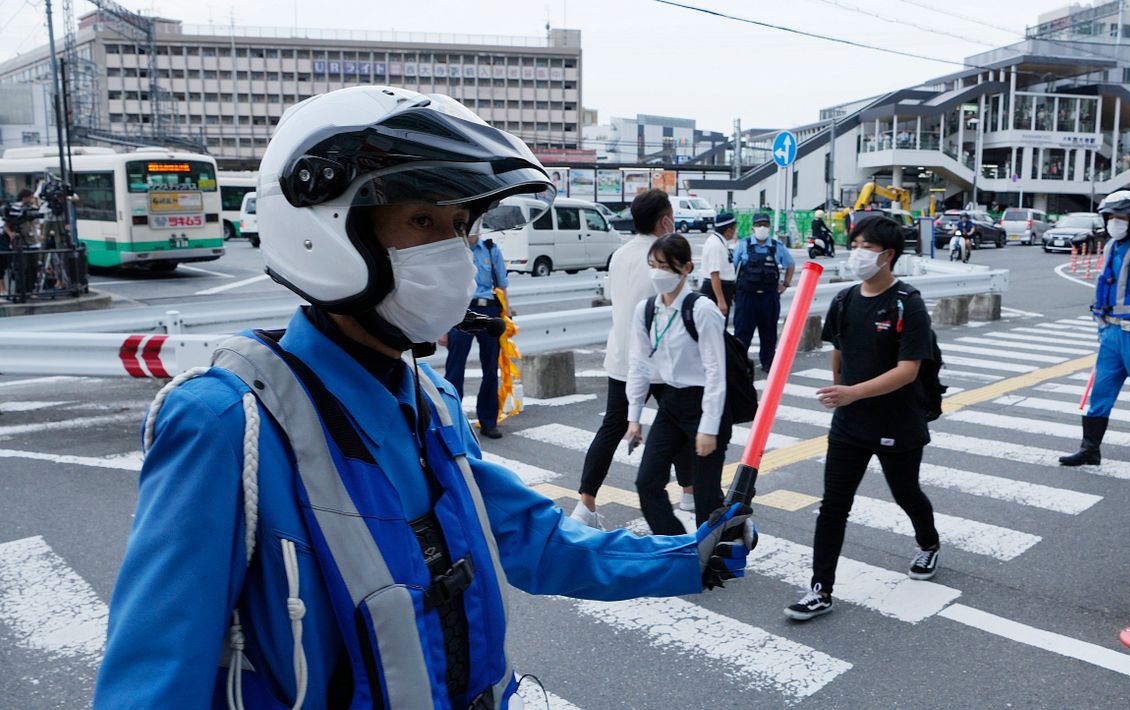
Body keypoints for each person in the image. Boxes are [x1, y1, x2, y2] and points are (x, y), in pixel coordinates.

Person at [93, 87, 754, 709]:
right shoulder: (226, 425)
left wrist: (686, 557)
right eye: (422, 220)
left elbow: (532, 539)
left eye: (459, 224)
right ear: (327, 230)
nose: (456, 251)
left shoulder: (429, 400)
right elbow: (152, 683)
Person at [785, 216, 940, 621]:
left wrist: (852, 392)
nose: (857, 253)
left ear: (888, 255)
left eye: (866, 247)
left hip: (898, 422)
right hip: (850, 424)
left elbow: (908, 370)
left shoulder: (907, 303)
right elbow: (839, 350)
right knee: (833, 506)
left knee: (906, 493)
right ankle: (820, 590)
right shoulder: (844, 299)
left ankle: (929, 544)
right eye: (854, 245)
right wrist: (842, 391)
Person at [574, 189, 695, 529]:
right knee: (681, 426)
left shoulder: (619, 255)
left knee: (611, 429)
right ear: (664, 221)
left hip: (621, 358)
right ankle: (690, 494)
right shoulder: (664, 256)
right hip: (662, 362)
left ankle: (585, 504)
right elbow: (680, 305)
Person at [1060, 190, 1130, 467]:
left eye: (1121, 216)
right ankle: (1090, 449)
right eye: (1111, 216)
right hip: (1111, 333)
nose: (1115, 221)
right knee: (1100, 391)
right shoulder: (1112, 246)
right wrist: (1102, 327)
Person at [626, 234, 732, 534]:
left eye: (665, 266)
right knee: (647, 482)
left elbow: (716, 372)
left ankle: (712, 553)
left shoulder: (702, 309)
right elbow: (639, 364)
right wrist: (634, 417)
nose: (657, 273)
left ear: (686, 268)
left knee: (706, 495)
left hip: (704, 403)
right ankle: (676, 546)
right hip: (671, 402)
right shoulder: (646, 310)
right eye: (653, 265)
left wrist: (709, 427)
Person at [442, 228, 508, 439]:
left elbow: (502, 286)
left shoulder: (491, 249)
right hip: (461, 310)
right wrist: (443, 327)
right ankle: (451, 422)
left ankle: (489, 422)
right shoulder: (454, 251)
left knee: (491, 369)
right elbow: (445, 289)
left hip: (489, 309)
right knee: (454, 368)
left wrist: (506, 317)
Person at [733, 213, 795, 374]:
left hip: (769, 297)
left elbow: (790, 265)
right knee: (742, 333)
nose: (762, 228)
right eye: (759, 225)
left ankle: (768, 363)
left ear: (769, 227)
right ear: (753, 228)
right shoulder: (743, 245)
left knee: (769, 333)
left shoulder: (776, 246)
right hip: (746, 297)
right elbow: (734, 267)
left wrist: (785, 284)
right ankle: (739, 365)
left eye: (765, 225)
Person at [699, 211, 737, 316]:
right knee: (716, 323)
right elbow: (714, 274)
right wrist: (721, 300)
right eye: (734, 228)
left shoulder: (720, 242)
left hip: (723, 289)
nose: (735, 231)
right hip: (716, 291)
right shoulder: (715, 245)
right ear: (728, 230)